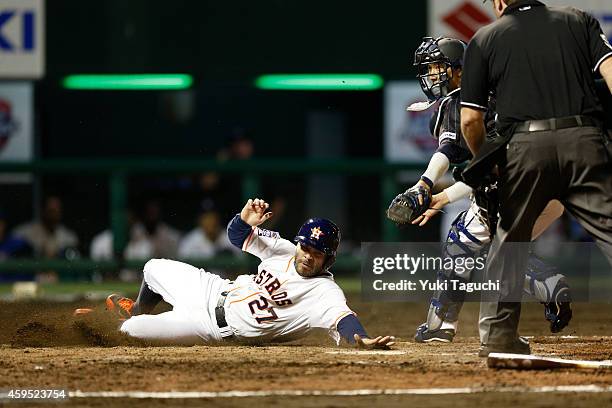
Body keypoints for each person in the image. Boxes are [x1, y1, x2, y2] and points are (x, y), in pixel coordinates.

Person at [391, 37, 572, 343]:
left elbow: (448, 150)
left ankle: (442, 325)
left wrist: (423, 184)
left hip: (511, 190)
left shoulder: (458, 101)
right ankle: (545, 286)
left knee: (468, 250)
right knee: (488, 249)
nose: (431, 75)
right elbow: (482, 172)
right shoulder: (500, 93)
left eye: (438, 67)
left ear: (460, 70)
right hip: (546, 186)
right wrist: (441, 197)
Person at [459, 0, 612, 356]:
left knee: (509, 242)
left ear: (499, 1)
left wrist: (487, 161)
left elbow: (470, 120)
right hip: (584, 141)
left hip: (523, 150)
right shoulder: (579, 20)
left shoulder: (484, 38)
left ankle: (499, 338)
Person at [105, 198, 394, 348]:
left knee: (131, 333)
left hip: (208, 328)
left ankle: (131, 322)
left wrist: (361, 338)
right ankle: (138, 310)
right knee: (153, 267)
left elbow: (345, 320)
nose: (307, 255)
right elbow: (237, 235)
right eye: (305, 247)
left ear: (328, 260)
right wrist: (244, 219)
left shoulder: (324, 292)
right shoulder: (283, 249)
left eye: (316, 253)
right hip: (212, 289)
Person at [13, 196, 79, 259]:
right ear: (43, 211)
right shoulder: (25, 232)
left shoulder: (68, 237)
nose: (53, 215)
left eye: (56, 211)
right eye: (51, 211)